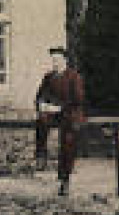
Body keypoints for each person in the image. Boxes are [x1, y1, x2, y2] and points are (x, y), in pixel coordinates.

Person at [35, 46, 87, 196]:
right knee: (41, 120)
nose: (55, 63)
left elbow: (78, 99)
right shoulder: (49, 77)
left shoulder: (74, 77)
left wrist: (60, 108)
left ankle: (65, 180)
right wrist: (42, 104)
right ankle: (41, 154)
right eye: (53, 60)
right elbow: (39, 95)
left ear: (65, 60)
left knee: (68, 142)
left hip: (70, 113)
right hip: (54, 113)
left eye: (58, 60)